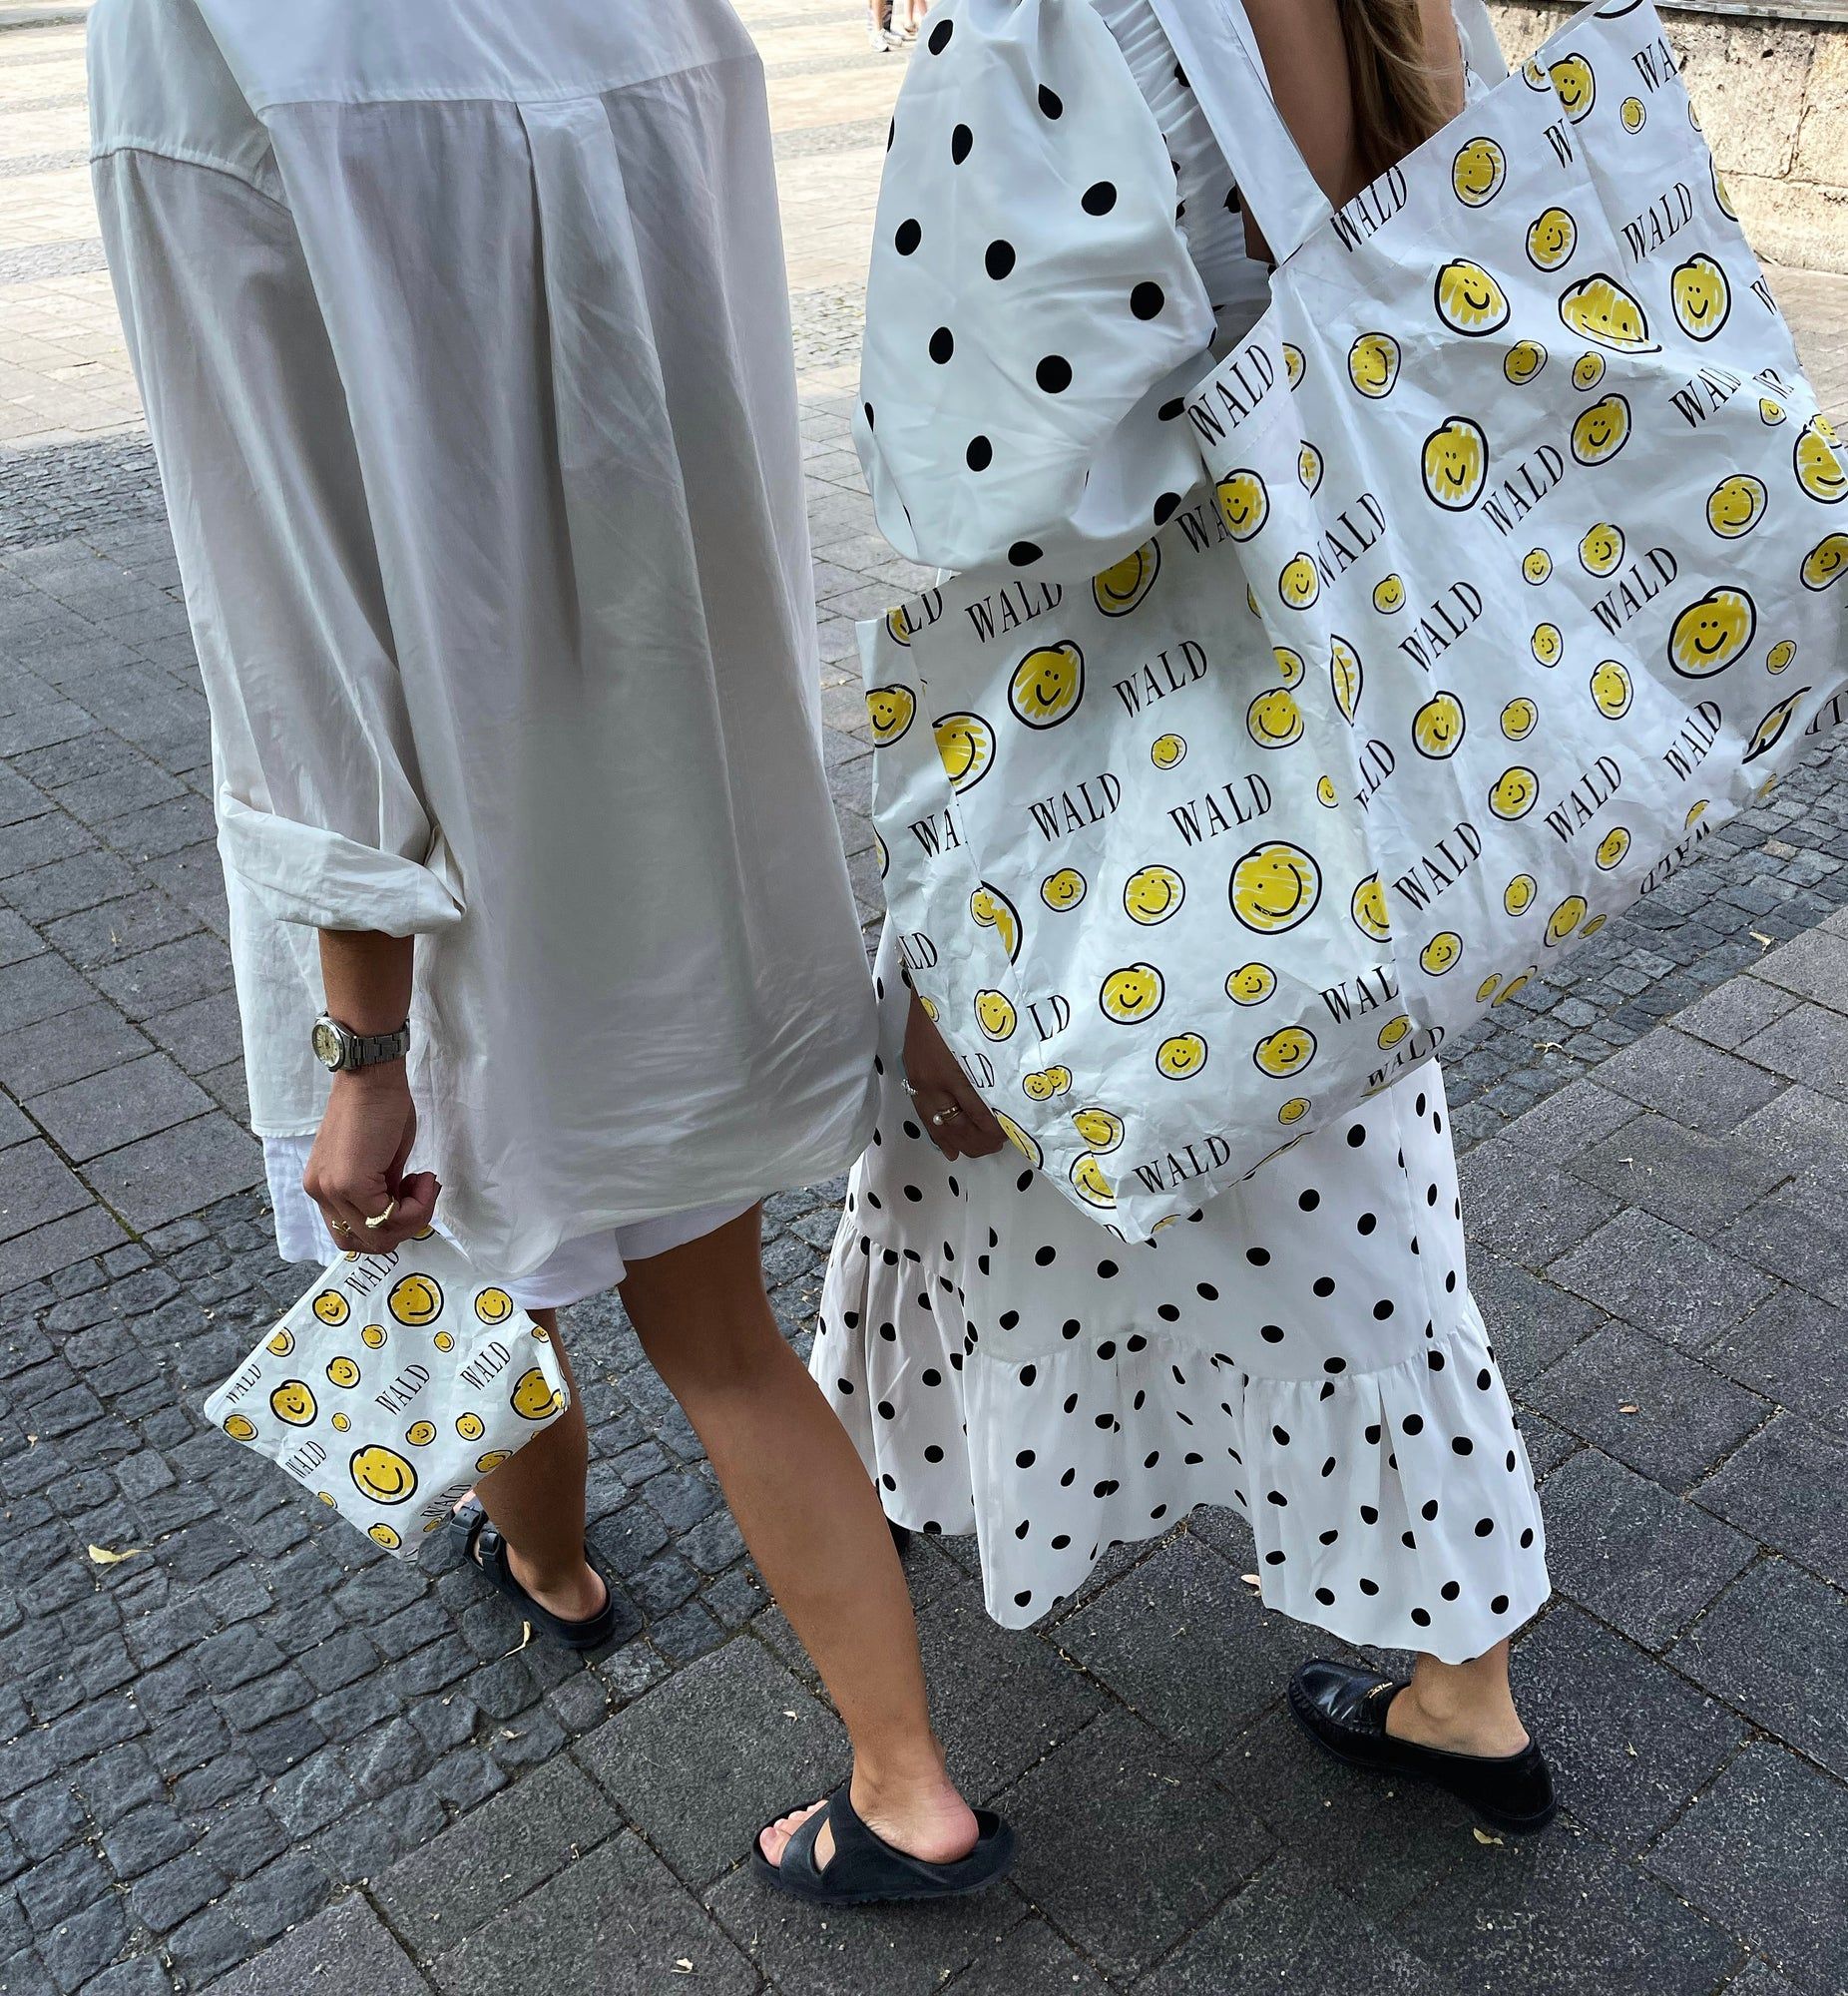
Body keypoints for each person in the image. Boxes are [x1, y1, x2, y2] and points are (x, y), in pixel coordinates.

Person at [89, 0, 1012, 1904]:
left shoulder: (194, 29)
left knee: (445, 1242)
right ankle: (908, 1784)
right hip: (680, 788)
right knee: (722, 1328)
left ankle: (557, 1567)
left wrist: (361, 1044)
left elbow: (278, 571)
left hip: (434, 800)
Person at [812, 0, 1558, 1837]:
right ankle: (1461, 1680)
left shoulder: (1047, 28)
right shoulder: (1393, 8)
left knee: (979, 1131)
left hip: (1119, 769)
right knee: (1354, 1192)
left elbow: (970, 490)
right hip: (1342, 742)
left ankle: (885, 1488)